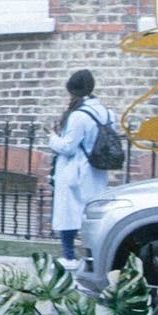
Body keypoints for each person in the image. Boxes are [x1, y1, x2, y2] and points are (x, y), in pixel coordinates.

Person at [48, 68, 114, 275]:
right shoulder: (107, 112)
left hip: (74, 170)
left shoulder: (78, 115)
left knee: (68, 214)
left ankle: (68, 257)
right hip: (97, 170)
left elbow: (67, 147)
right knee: (90, 216)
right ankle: (91, 258)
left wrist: (51, 136)